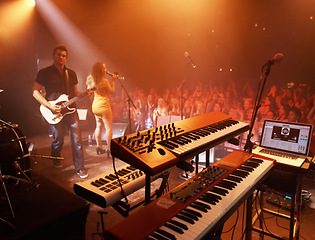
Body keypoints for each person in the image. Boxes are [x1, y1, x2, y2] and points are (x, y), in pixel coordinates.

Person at [32, 44, 88, 178]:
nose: (61, 57)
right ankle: (55, 155)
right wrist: (49, 106)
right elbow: (35, 92)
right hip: (54, 111)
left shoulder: (72, 74)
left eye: (63, 56)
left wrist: (86, 93)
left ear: (66, 58)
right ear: (53, 56)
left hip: (70, 110)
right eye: (58, 55)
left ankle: (80, 167)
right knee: (59, 139)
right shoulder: (44, 72)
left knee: (77, 140)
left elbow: (75, 93)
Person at [86, 62, 117, 156]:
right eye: (104, 68)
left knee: (98, 126)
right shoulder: (104, 81)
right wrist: (113, 80)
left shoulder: (90, 79)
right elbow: (112, 91)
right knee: (108, 128)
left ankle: (99, 147)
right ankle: (109, 149)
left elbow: (89, 91)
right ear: (100, 70)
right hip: (103, 105)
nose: (106, 69)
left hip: (95, 105)